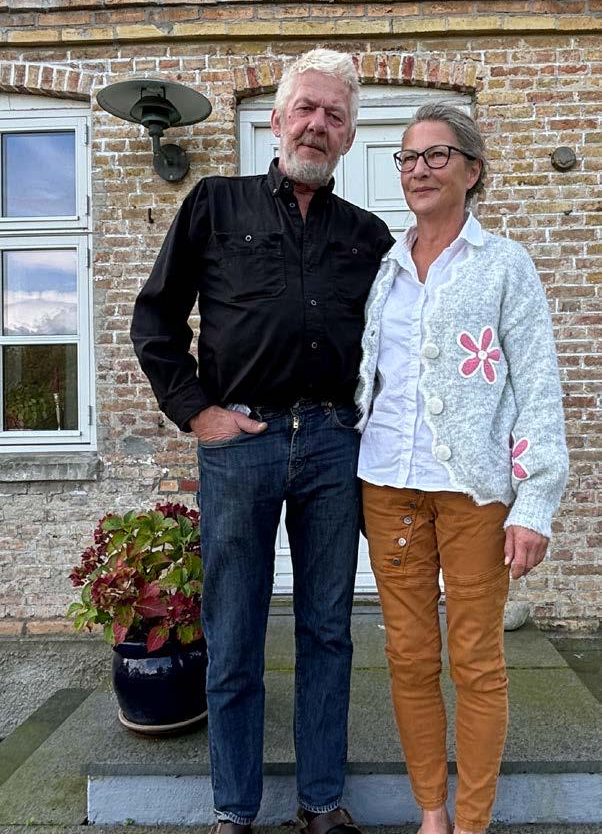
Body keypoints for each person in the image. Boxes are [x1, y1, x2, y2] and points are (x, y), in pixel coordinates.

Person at [131, 48, 394, 834]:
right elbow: (155, 319)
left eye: (334, 115)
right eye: (306, 108)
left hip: (332, 443)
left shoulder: (369, 236)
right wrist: (198, 413)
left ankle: (321, 804)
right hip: (239, 440)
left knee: (327, 630)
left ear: (348, 137)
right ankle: (234, 810)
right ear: (277, 121)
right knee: (235, 631)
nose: (317, 124)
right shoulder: (215, 204)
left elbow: (400, 346)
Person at [355, 103, 568, 834]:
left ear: (473, 170)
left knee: (476, 660)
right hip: (388, 486)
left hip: (475, 492)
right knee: (409, 656)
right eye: (408, 157)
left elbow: (537, 384)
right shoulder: (384, 267)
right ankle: (432, 813)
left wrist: (535, 501)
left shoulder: (504, 264)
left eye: (437, 155)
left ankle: (472, 821)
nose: (419, 169)